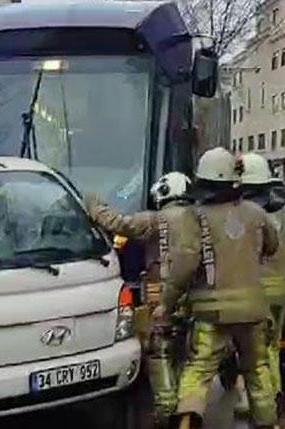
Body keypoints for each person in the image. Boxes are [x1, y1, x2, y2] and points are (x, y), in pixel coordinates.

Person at [155, 147, 279, 429]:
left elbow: (185, 264)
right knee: (257, 369)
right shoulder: (256, 213)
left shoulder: (195, 216)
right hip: (253, 310)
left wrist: (167, 302)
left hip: (211, 313)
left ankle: (187, 422)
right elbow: (272, 246)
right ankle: (267, 422)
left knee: (199, 370)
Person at [86, 172, 199, 425]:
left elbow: (116, 223)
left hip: (160, 296)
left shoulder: (154, 219)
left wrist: (94, 204)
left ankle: (167, 407)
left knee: (159, 350)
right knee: (186, 352)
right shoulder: (200, 218)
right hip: (194, 296)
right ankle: (187, 406)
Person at [240, 154, 285, 402]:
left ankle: (261, 399)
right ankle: (275, 392)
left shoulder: (244, 213)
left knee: (254, 350)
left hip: (254, 291)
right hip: (279, 290)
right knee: (273, 346)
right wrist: (283, 271)